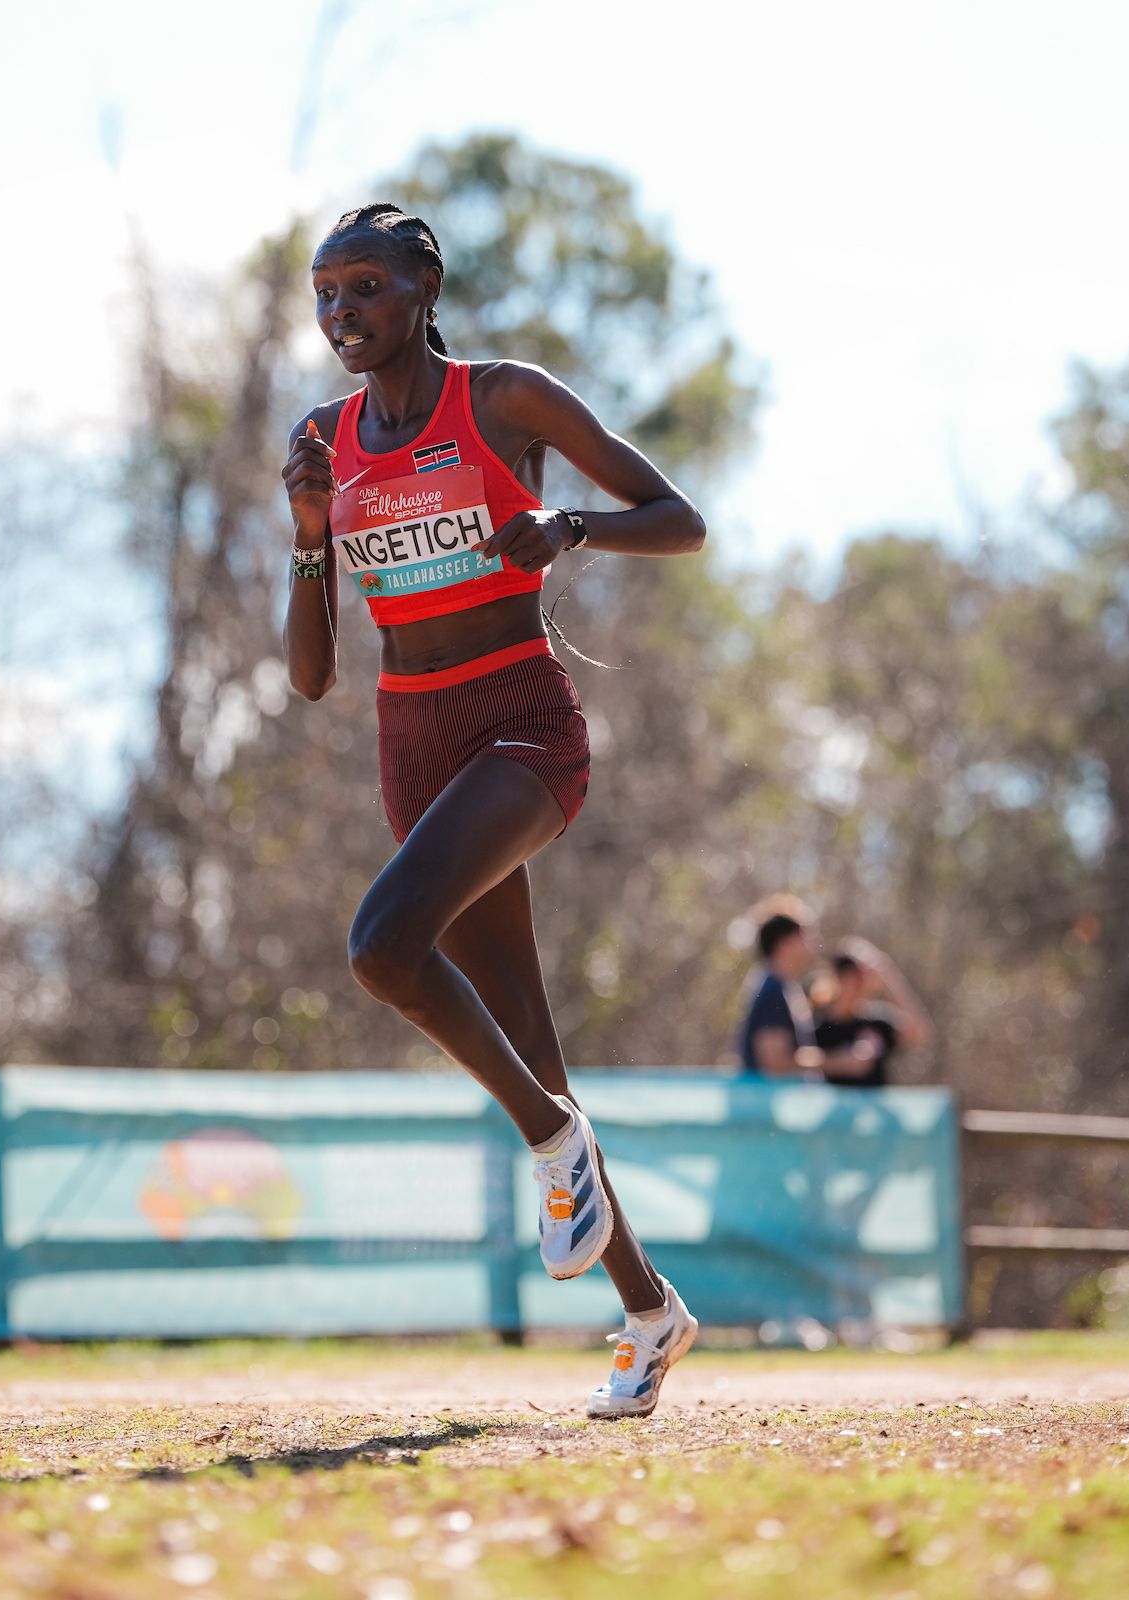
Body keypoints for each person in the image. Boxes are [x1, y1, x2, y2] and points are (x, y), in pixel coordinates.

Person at [281, 203, 708, 1419]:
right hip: (412, 745)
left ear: (424, 288)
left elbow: (681, 519)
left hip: (521, 726)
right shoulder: (323, 438)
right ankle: (647, 1309)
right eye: (325, 294)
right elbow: (311, 674)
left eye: (364, 287)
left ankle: (547, 1143)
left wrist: (567, 525)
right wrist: (310, 537)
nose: (341, 313)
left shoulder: (506, 400)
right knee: (532, 1040)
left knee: (380, 947)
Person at [810, 939, 933, 1088]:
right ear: (837, 977)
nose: (858, 984)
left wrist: (888, 975)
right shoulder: (814, 1021)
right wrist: (842, 1062)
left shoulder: (877, 1021)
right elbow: (792, 1062)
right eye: (853, 976)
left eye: (863, 977)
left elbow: (919, 1035)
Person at [736, 896, 821, 1077]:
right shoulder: (772, 989)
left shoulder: (780, 985)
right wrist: (841, 1063)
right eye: (803, 935)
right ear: (784, 943)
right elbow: (774, 1062)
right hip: (765, 1103)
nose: (812, 942)